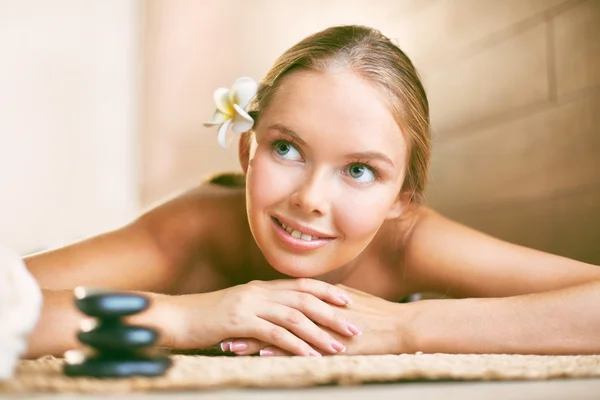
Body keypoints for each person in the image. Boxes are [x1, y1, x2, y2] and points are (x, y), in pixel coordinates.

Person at [23, 25, 600, 359]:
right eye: (287, 149)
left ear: (403, 196)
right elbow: (10, 309)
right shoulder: (189, 234)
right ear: (247, 150)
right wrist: (186, 317)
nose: (310, 199)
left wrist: (405, 329)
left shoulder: (405, 241)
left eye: (359, 171)